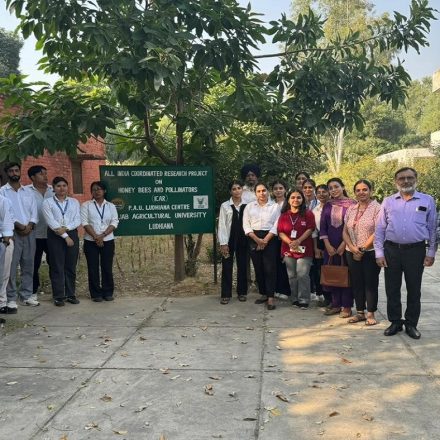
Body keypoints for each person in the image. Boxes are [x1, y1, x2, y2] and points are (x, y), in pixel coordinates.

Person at [374, 167, 436, 339]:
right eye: (402, 178)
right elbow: (380, 228)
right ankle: (395, 322)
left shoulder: (427, 200)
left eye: (410, 177)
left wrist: (431, 252)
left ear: (416, 179)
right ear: (396, 181)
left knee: (414, 289)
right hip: (391, 250)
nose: (406, 181)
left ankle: (411, 324)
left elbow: (432, 229)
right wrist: (379, 253)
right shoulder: (388, 201)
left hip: (415, 251)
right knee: (392, 288)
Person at [0, 162, 38, 311]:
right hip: (11, 233)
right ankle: (10, 298)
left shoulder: (28, 191)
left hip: (30, 231)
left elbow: (34, 211)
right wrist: (18, 226)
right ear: (7, 174)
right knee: (11, 267)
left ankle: (27, 295)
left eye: (16, 170)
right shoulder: (2, 192)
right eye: (11, 171)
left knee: (29, 264)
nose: (14, 173)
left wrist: (29, 225)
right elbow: (6, 214)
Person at [343, 180, 381, 325]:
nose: (361, 193)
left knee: (370, 283)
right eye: (358, 190)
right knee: (356, 282)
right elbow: (345, 231)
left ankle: (370, 313)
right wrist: (353, 248)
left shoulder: (377, 208)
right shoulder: (351, 209)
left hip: (370, 252)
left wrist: (363, 248)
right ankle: (360, 312)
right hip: (351, 251)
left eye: (365, 189)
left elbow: (378, 231)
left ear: (371, 191)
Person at [42, 177, 81, 307]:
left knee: (70, 265)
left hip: (71, 233)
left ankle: (71, 294)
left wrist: (67, 229)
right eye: (58, 186)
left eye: (64, 185)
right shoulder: (47, 203)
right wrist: (65, 236)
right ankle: (59, 296)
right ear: (53, 188)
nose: (62, 188)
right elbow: (51, 222)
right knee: (57, 266)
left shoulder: (74, 202)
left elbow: (78, 220)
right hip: (55, 235)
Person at [320, 178, 356, 318]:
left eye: (336, 186)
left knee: (345, 275)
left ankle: (346, 306)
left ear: (343, 187)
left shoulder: (352, 204)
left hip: (346, 245)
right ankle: (335, 304)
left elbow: (352, 227)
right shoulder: (328, 205)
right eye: (331, 188)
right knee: (333, 275)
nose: (333, 190)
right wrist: (327, 245)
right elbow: (323, 226)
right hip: (330, 245)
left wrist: (344, 245)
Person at [243, 182, 280, 310]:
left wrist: (265, 240)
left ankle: (271, 297)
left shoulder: (275, 207)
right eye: (258, 191)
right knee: (258, 267)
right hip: (253, 237)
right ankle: (263, 293)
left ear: (268, 191)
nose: (261, 193)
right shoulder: (249, 207)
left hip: (270, 238)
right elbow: (246, 225)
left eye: (264, 190)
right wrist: (257, 240)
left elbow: (276, 225)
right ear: (255, 193)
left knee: (270, 268)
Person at [81, 181, 119, 302]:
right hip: (90, 241)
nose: (96, 191)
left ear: (104, 191)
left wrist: (102, 235)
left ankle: (108, 292)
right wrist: (96, 237)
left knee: (107, 267)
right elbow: (85, 222)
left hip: (107, 240)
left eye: (99, 189)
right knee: (93, 268)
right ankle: (95, 294)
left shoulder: (111, 206)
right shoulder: (86, 205)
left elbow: (114, 222)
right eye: (94, 189)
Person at [277, 190, 315, 309]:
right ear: (288, 200)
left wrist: (298, 241)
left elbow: (310, 229)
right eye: (292, 197)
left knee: (302, 274)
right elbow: (280, 232)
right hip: (288, 249)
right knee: (292, 275)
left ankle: (303, 299)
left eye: (298, 197)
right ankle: (294, 298)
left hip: (304, 249)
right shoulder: (284, 215)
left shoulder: (308, 213)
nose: (295, 200)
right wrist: (290, 242)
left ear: (302, 199)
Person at [26, 165, 55, 297]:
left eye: (46, 173)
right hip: (34, 235)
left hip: (52, 234)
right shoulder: (25, 191)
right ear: (32, 177)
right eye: (41, 174)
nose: (45, 176)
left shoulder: (53, 190)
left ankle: (57, 289)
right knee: (34, 263)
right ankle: (32, 291)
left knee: (55, 262)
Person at [218, 180, 248, 304]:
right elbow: (222, 225)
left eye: (239, 188)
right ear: (230, 191)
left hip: (244, 238)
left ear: (242, 189)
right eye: (234, 189)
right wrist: (223, 243)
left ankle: (242, 292)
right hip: (229, 238)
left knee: (243, 265)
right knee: (227, 266)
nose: (237, 191)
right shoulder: (225, 206)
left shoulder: (248, 205)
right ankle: (226, 294)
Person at [312, 184, 331, 307]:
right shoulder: (315, 210)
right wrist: (316, 248)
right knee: (322, 270)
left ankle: (338, 299)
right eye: (319, 192)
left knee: (335, 269)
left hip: (335, 241)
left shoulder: (335, 206)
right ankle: (327, 297)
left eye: (324, 191)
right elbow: (314, 231)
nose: (321, 194)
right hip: (320, 242)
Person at [271, 180, 291, 300]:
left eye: (281, 188)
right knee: (276, 263)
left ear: (285, 189)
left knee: (286, 263)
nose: (278, 190)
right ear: (272, 191)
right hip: (273, 237)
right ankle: (277, 288)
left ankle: (285, 290)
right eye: (276, 188)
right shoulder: (270, 204)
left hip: (287, 238)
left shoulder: (289, 203)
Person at [0, 195, 14, 315]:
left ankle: (2, 303)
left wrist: (5, 241)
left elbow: (7, 222)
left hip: (3, 241)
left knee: (3, 274)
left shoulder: (4, 200)